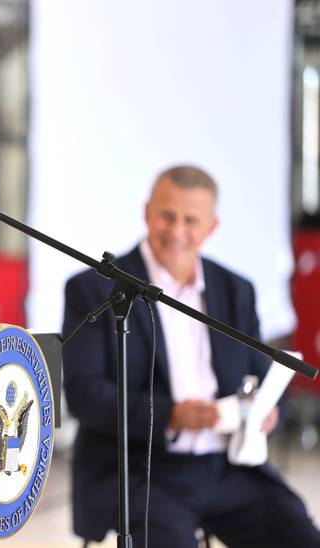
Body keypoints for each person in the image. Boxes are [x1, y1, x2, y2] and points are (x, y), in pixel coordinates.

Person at [62, 166, 320, 547]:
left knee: (299, 535)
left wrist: (266, 410)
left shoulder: (235, 290)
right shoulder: (95, 288)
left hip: (229, 467)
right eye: (167, 216)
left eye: (191, 220)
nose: (177, 231)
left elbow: (262, 376)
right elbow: (84, 395)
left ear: (211, 227)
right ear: (147, 212)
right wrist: (170, 414)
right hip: (143, 472)